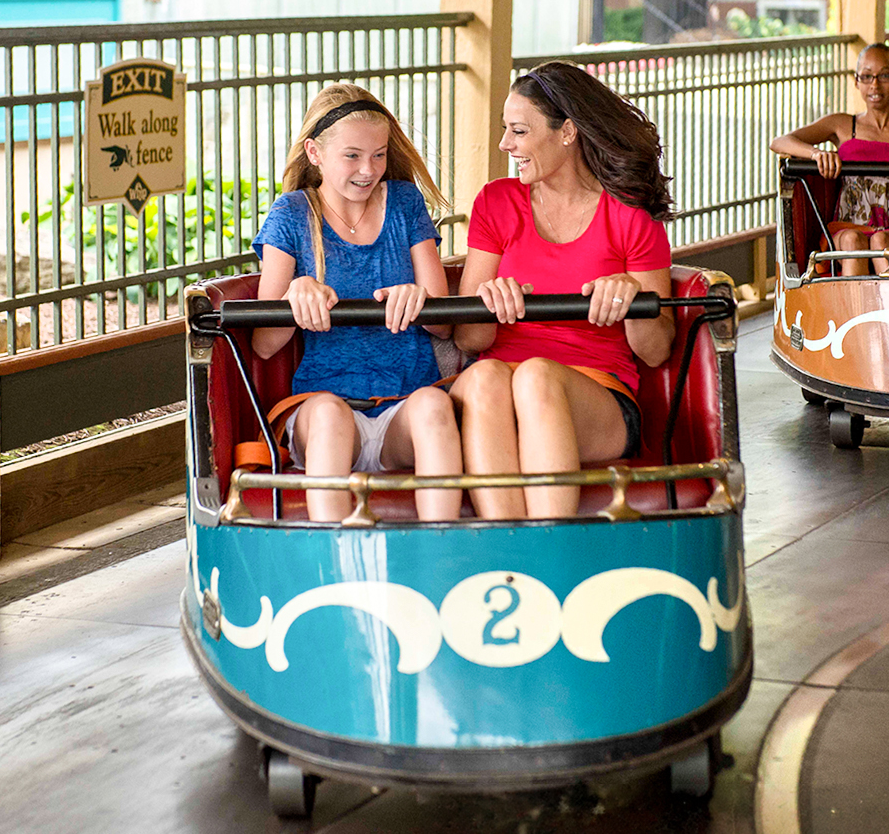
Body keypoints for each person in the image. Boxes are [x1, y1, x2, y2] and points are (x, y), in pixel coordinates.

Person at [450, 61, 675, 520]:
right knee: (487, 375)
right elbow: (469, 341)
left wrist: (632, 299)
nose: (505, 144)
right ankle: (512, 545)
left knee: (536, 376)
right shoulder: (496, 202)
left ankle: (548, 540)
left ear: (567, 132)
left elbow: (656, 353)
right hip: (498, 385)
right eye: (506, 130)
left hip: (596, 392)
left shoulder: (630, 215)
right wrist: (489, 302)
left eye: (518, 131)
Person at [250, 84, 462, 521]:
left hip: (403, 405)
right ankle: (330, 552)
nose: (368, 170)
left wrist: (419, 298)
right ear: (315, 153)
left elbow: (443, 325)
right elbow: (265, 344)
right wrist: (296, 293)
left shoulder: (404, 202)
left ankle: (440, 547)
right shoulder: (292, 214)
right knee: (330, 416)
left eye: (379, 155)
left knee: (435, 406)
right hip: (325, 405)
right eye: (352, 156)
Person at [769, 43, 889, 275]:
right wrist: (817, 154)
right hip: (849, 225)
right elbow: (779, 141)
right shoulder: (842, 124)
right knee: (853, 240)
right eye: (866, 76)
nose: (875, 84)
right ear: (856, 81)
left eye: (884, 75)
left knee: (881, 242)